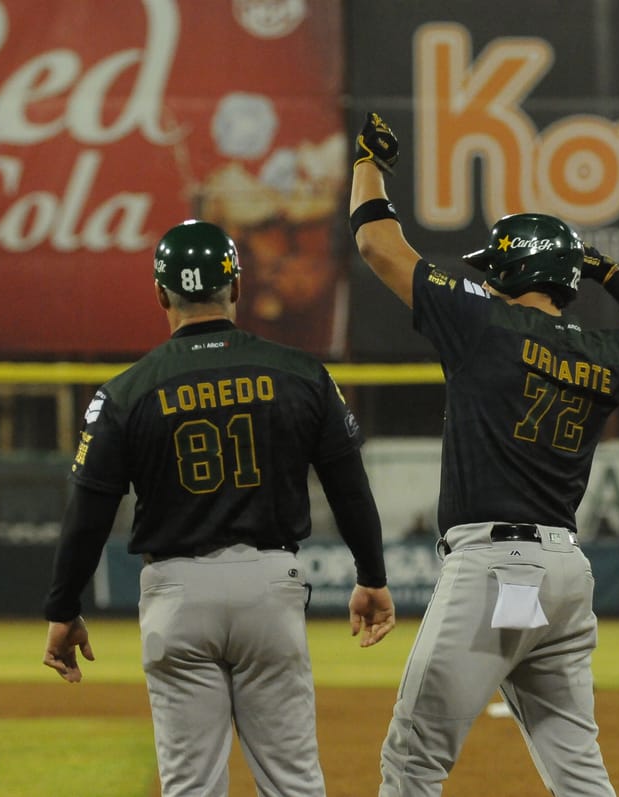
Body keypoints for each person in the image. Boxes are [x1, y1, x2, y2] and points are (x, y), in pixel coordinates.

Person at [349, 112, 619, 796]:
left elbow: (376, 244)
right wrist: (606, 272)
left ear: (512, 268)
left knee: (413, 759)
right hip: (565, 575)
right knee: (576, 768)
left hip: (493, 570)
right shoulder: (609, 352)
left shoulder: (483, 318)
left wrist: (369, 163)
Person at [40, 219, 396, 797]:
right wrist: (372, 575)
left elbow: (89, 514)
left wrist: (63, 607)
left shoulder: (127, 391)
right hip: (269, 586)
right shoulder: (302, 373)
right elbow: (349, 486)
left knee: (190, 788)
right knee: (294, 782)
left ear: (160, 294)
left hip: (176, 592)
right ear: (237, 285)